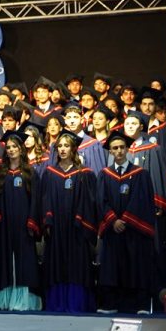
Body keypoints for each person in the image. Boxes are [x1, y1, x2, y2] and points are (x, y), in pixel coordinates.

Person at [96, 131, 156, 314]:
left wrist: (126, 220)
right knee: (111, 268)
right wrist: (113, 220)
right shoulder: (104, 175)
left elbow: (142, 200)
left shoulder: (140, 174)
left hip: (133, 231)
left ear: (127, 149)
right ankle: (111, 304)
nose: (119, 151)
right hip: (113, 230)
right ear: (110, 151)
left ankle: (140, 305)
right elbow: (100, 200)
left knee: (136, 266)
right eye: (115, 148)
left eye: (122, 147)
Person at [0, 131, 43, 311]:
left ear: (21, 149)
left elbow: (36, 200)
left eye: (14, 147)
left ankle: (23, 300)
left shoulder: (31, 173)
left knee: (25, 262)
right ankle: (2, 300)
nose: (11, 150)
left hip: (24, 226)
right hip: (2, 226)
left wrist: (32, 221)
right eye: (8, 147)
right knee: (2, 261)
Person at [40, 130, 98, 313]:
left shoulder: (85, 174)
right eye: (60, 146)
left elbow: (90, 202)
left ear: (74, 149)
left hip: (77, 228)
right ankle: (57, 303)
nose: (63, 149)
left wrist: (81, 220)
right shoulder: (49, 173)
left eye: (66, 146)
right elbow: (45, 199)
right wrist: (48, 221)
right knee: (56, 264)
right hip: (56, 228)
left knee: (77, 265)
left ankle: (76, 303)